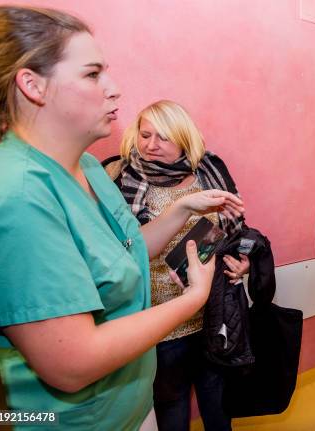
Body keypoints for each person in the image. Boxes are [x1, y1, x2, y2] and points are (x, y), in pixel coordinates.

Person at [0, 6, 243, 431]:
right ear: (33, 85)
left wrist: (181, 209)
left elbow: (128, 249)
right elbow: (71, 363)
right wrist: (192, 299)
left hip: (129, 404)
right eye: (92, 74)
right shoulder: (18, 195)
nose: (115, 89)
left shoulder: (86, 167)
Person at [105, 100, 249, 431]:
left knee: (217, 404)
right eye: (145, 134)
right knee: (171, 409)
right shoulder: (118, 178)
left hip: (213, 316)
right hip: (161, 323)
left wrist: (241, 265)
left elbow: (234, 231)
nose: (151, 145)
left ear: (184, 139)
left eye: (164, 137)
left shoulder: (208, 171)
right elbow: (118, 251)